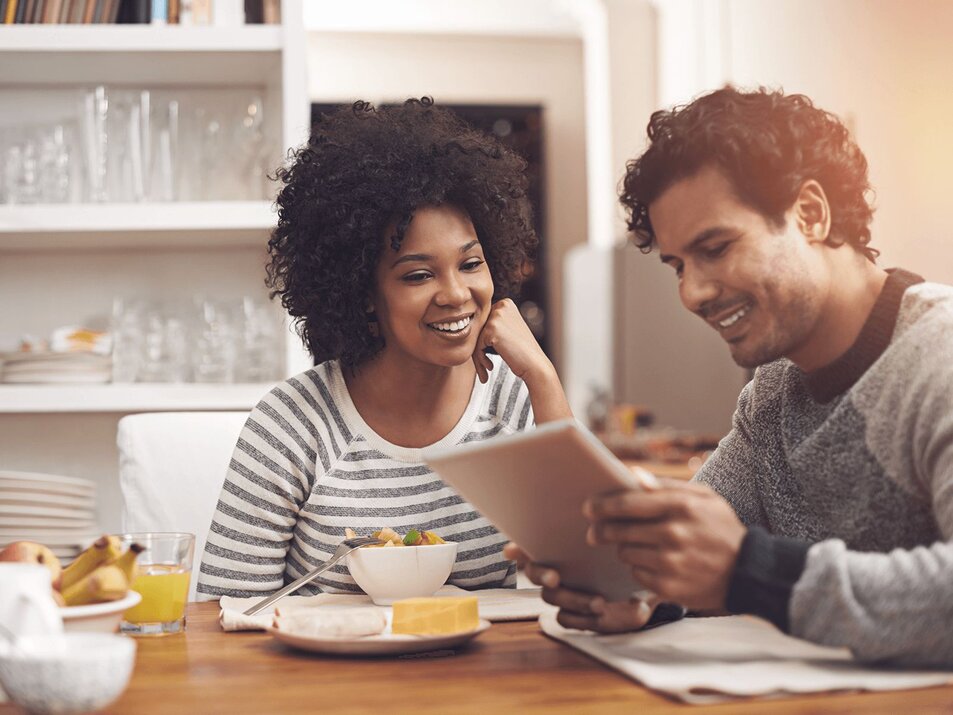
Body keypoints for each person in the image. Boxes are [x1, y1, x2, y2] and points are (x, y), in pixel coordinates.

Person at [506, 86, 953, 666]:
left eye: (715, 248)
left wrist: (748, 572)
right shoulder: (771, 391)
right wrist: (643, 593)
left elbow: (739, 567)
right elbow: (699, 552)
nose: (692, 293)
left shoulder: (937, 356)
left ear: (811, 214)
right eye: (677, 265)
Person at [197, 98, 571, 600]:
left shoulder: (516, 402)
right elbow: (225, 618)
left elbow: (588, 580)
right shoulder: (291, 425)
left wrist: (544, 379)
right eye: (418, 275)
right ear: (364, 295)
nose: (457, 294)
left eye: (471, 264)